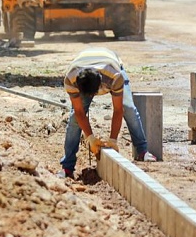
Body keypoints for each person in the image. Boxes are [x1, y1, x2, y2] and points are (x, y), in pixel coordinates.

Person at [58, 47, 157, 179]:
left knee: (128, 107)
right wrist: (91, 139)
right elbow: (79, 113)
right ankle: (67, 167)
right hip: (83, 66)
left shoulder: (115, 76)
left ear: (100, 85)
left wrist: (113, 140)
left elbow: (118, 110)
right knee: (74, 119)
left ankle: (142, 150)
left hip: (111, 65)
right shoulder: (71, 79)